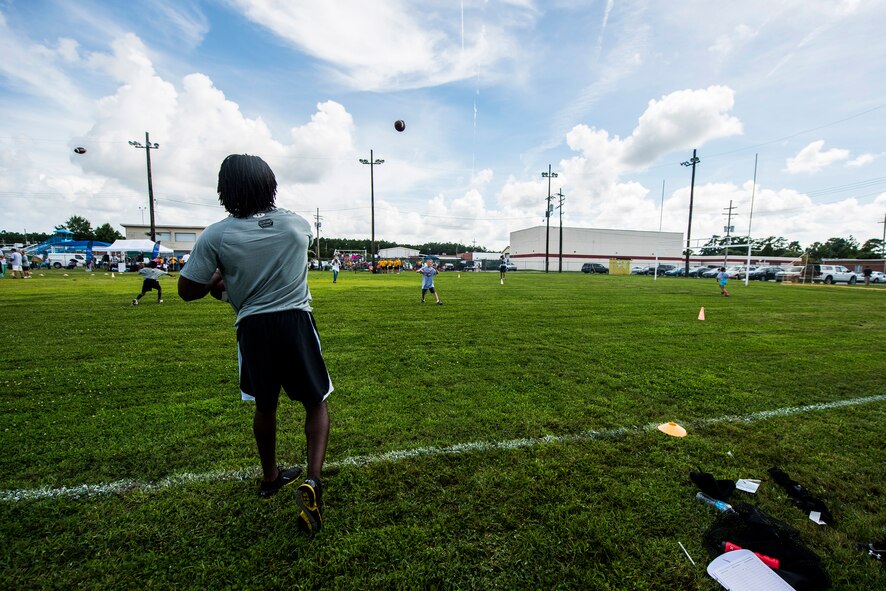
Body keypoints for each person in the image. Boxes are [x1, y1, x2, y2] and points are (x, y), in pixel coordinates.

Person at [178, 154, 330, 535]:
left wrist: (219, 281)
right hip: (296, 320)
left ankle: (270, 477)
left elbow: (187, 290)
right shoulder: (298, 225)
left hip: (253, 327)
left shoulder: (217, 235)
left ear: (225, 190)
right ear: (270, 185)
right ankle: (313, 478)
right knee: (315, 402)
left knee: (265, 406)